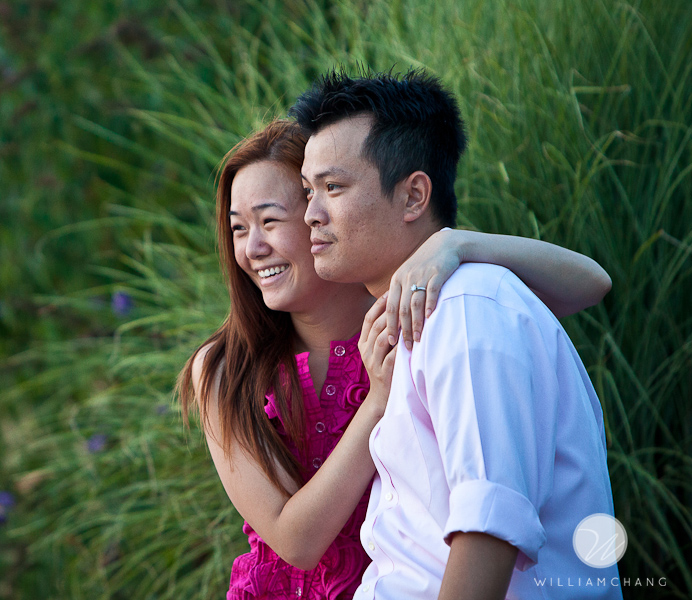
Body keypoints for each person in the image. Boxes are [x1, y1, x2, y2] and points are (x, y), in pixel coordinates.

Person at [177, 119, 612, 600]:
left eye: (271, 220)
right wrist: (376, 403)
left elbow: (591, 284)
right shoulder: (225, 368)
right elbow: (295, 541)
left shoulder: (407, 306)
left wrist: (458, 242)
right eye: (239, 229)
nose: (253, 248)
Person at [291, 68, 621, 599]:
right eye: (308, 191)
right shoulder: (414, 318)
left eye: (332, 187)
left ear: (414, 195)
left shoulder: (468, 308)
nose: (309, 214)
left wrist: (457, 244)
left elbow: (488, 527)